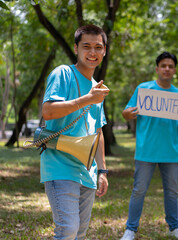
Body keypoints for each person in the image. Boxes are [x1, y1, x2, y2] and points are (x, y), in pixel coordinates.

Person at [41, 24, 110, 239]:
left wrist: (103, 171)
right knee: (68, 230)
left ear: (104, 51)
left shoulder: (96, 87)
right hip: (60, 166)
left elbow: (97, 131)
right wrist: (88, 99)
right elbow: (48, 111)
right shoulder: (63, 73)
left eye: (98, 47)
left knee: (79, 233)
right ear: (76, 48)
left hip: (87, 172)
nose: (92, 52)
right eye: (86, 46)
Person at [120, 52, 178, 240]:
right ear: (157, 69)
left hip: (170, 151)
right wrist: (128, 114)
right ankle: (131, 229)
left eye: (170, 66)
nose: (167, 69)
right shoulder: (144, 89)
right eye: (163, 65)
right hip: (146, 150)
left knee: (171, 192)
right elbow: (126, 112)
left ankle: (175, 227)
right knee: (138, 191)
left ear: (174, 70)